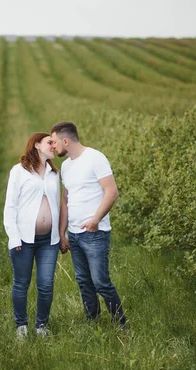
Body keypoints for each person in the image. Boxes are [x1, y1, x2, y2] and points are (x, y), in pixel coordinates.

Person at [50, 121, 128, 331]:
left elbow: (112, 192)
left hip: (95, 233)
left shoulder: (95, 158)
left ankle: (121, 324)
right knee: (84, 282)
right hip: (74, 235)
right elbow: (65, 201)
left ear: (65, 140)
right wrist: (62, 232)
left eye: (55, 142)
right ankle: (93, 321)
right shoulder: (66, 166)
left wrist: (95, 221)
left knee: (101, 282)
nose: (53, 146)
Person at [3, 132, 60, 338]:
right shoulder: (19, 172)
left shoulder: (54, 174)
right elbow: (10, 206)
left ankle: (42, 326)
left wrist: (61, 234)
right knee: (22, 283)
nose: (54, 146)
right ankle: (22, 326)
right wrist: (14, 236)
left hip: (49, 240)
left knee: (46, 284)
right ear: (37, 145)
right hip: (24, 239)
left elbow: (58, 205)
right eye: (49, 142)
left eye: (54, 143)